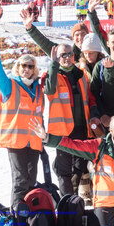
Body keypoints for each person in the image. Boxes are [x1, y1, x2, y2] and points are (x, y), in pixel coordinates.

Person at [29, 114, 114, 226]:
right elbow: (73, 145)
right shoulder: (98, 147)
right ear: (111, 131)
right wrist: (47, 137)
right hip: (107, 203)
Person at [0, 36, 44, 209]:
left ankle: (29, 213)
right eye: (23, 65)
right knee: (20, 180)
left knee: (31, 180)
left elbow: (40, 115)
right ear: (18, 67)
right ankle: (17, 214)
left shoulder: (38, 89)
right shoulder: (9, 86)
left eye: (30, 66)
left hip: (34, 141)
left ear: (34, 70)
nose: (26, 69)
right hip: (16, 141)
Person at [44, 43, 97, 196]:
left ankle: (71, 199)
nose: (67, 58)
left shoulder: (81, 74)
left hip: (82, 129)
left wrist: (94, 114)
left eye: (69, 54)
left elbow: (90, 98)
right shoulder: (52, 74)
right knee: (64, 170)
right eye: (63, 55)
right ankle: (67, 202)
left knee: (79, 166)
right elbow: (49, 90)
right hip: (62, 131)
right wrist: (53, 65)